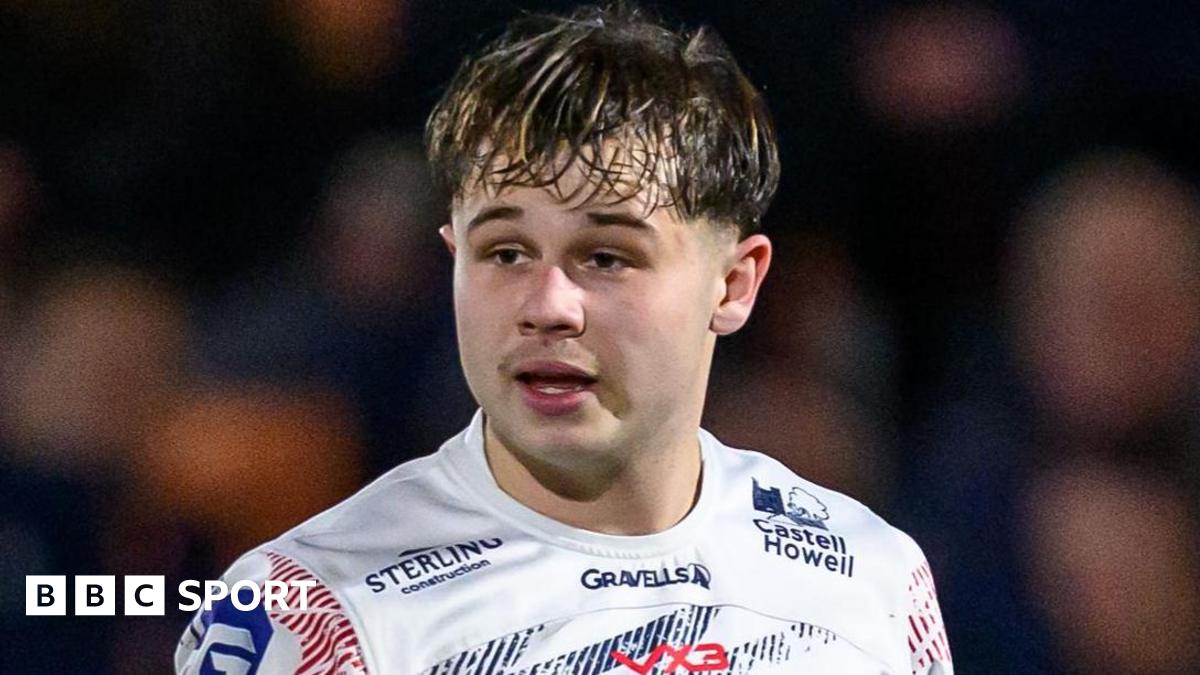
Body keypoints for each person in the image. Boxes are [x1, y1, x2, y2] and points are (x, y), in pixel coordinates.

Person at [175, 5, 952, 674]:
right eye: (505, 252)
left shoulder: (873, 582)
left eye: (606, 257)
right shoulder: (305, 613)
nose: (548, 306)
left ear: (734, 284)